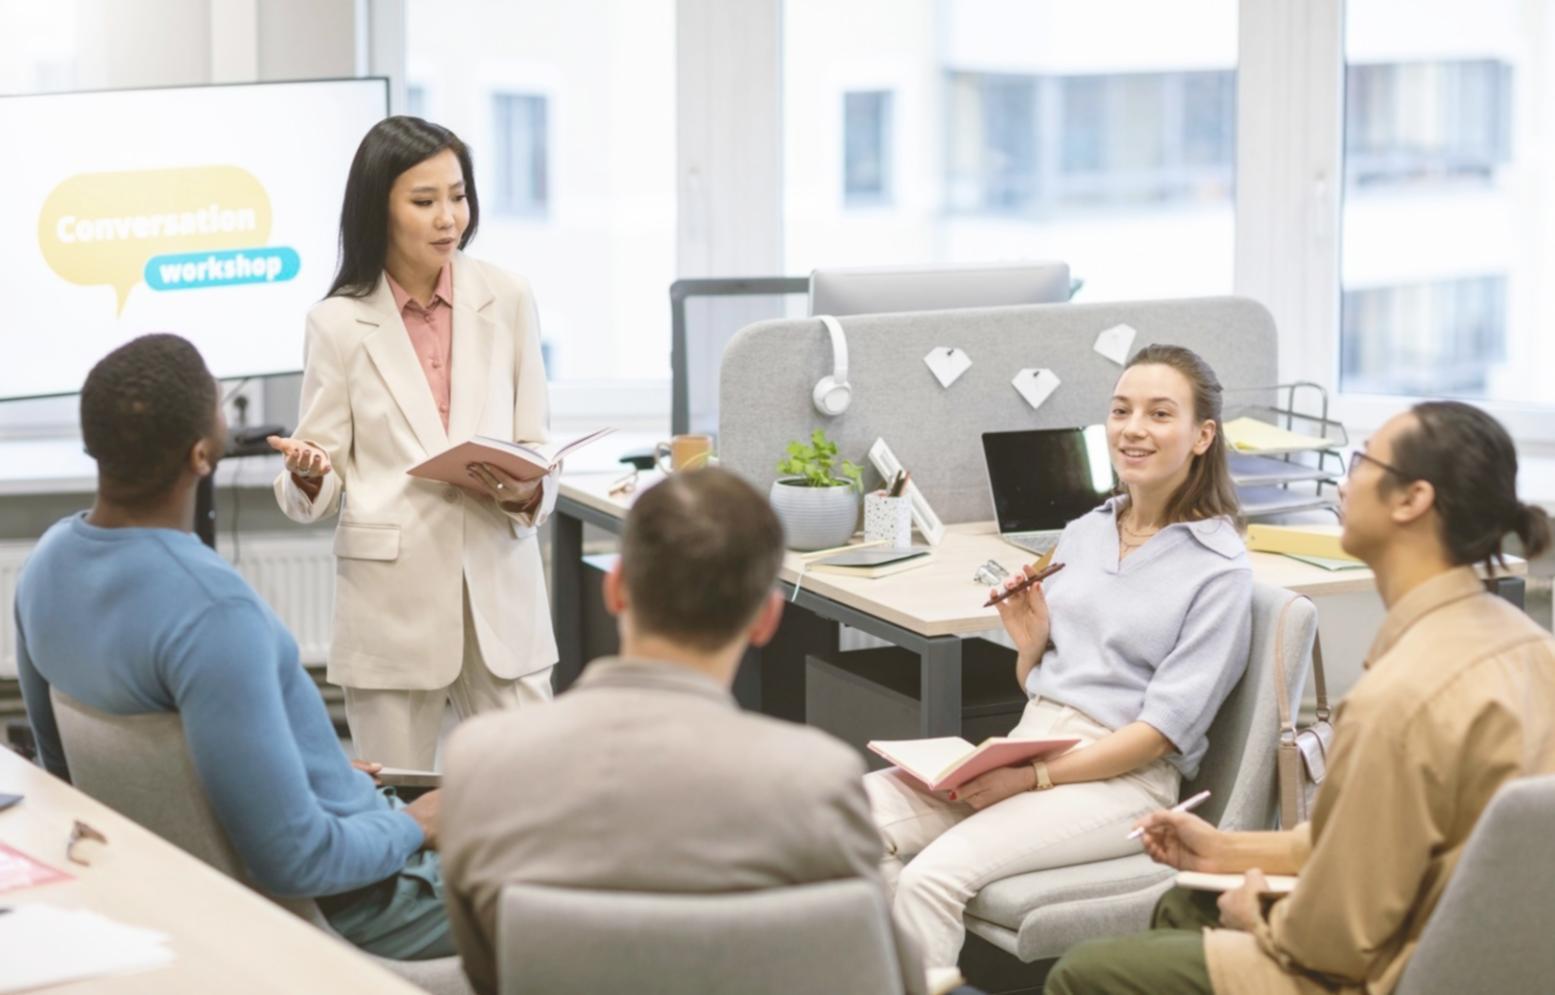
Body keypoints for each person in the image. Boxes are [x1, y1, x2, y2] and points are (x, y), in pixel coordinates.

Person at [1045, 400, 1555, 995]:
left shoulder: (1400, 698)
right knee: (1184, 907)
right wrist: (1227, 850)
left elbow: (1336, 936)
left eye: (1362, 462)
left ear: (1411, 500)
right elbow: (1377, 842)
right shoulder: (1529, 647)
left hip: (1384, 970)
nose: (1345, 479)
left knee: (1082, 974)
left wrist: (1259, 914)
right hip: (1484, 953)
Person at [15, 334, 455, 960]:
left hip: (208, 880)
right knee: (585, 868)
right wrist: (418, 823)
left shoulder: (46, 569)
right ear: (202, 453)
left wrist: (296, 766)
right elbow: (299, 860)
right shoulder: (214, 613)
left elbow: (68, 774)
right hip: (367, 900)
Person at [438, 468, 927, 995]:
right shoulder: (816, 778)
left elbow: (488, 972)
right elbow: (884, 974)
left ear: (616, 587)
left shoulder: (479, 759)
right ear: (766, 619)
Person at [865, 344, 1254, 968]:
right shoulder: (1087, 530)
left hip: (1120, 780)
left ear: (1202, 434)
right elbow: (1046, 685)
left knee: (929, 880)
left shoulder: (1219, 569)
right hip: (1032, 742)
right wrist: (1031, 649)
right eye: (1121, 410)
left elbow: (1158, 735)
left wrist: (1032, 778)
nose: (1133, 429)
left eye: (1159, 414)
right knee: (845, 823)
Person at [267, 116, 558, 769]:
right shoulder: (337, 322)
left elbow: (534, 441)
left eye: (457, 196)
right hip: (391, 605)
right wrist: (312, 474)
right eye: (424, 201)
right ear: (380, 209)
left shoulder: (506, 296)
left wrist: (528, 486)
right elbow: (313, 477)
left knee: (537, 788)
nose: (448, 217)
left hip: (500, 593)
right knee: (395, 808)